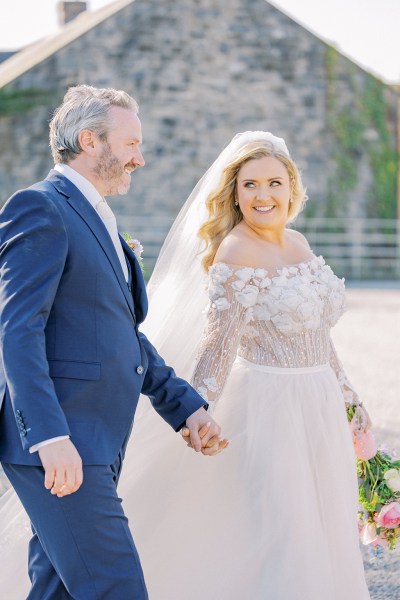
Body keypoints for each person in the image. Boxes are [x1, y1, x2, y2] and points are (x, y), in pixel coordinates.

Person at [113, 131, 371, 599]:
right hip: (272, 409)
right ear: (234, 192)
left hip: (320, 405)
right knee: (288, 530)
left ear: (291, 186)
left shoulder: (299, 241)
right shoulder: (235, 251)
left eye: (274, 182)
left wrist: (351, 399)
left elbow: (317, 336)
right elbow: (218, 345)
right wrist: (198, 410)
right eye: (250, 185)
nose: (263, 195)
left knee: (328, 521)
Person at [0, 85, 227, 600]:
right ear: (90, 141)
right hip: (61, 442)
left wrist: (185, 407)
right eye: (131, 144)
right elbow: (17, 328)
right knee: (116, 587)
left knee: (57, 590)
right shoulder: (40, 207)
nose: (140, 158)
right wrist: (48, 437)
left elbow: (120, 334)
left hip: (97, 439)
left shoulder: (98, 217)